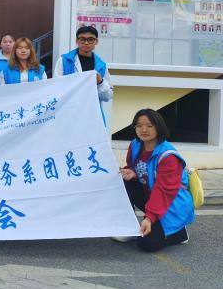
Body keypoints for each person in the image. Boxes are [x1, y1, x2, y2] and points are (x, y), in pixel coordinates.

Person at [116, 109, 194, 252]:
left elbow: (164, 191)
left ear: (159, 127)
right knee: (124, 180)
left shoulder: (168, 156)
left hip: (171, 203)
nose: (143, 130)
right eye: (139, 125)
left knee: (147, 244)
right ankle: (128, 226)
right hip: (152, 196)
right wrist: (133, 172)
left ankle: (179, 233)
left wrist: (149, 218)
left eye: (149, 125)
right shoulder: (135, 145)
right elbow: (134, 166)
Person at [54, 26, 112, 123]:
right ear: (77, 41)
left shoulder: (101, 65)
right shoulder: (64, 61)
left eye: (90, 39)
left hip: (92, 116)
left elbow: (108, 96)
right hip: (69, 115)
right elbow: (56, 89)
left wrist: (100, 82)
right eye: (82, 39)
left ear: (96, 41)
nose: (86, 43)